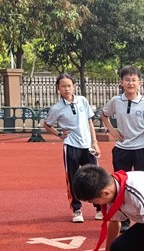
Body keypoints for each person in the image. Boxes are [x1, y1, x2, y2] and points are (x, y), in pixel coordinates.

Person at [101, 65, 144, 231]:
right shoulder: (116, 101)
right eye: (127, 80)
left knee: (142, 186)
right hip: (122, 149)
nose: (130, 83)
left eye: (134, 80)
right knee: (120, 186)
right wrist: (111, 129)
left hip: (141, 149)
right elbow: (103, 114)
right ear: (121, 82)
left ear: (139, 83)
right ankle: (123, 219)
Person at [44, 73, 102, 223]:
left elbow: (89, 122)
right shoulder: (56, 108)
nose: (66, 88)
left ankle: (99, 207)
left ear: (74, 86)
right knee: (72, 177)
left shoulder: (82, 100)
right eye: (63, 86)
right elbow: (47, 124)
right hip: (71, 145)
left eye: (69, 85)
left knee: (94, 176)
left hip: (87, 145)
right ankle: (77, 209)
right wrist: (59, 134)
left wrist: (94, 141)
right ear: (58, 88)